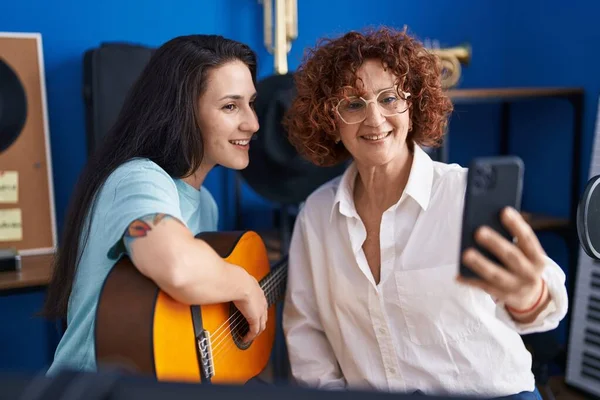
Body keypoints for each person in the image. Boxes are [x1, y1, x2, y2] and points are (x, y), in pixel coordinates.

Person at [281, 26, 568, 399]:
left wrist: (530, 295)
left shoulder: (462, 194)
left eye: (389, 99)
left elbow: (545, 302)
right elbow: (307, 331)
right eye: (353, 104)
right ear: (330, 122)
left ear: (413, 107)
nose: (374, 118)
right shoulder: (317, 214)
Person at [42, 34, 268, 375]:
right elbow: (177, 266)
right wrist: (244, 283)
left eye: (251, 103)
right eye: (230, 106)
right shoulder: (137, 179)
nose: (252, 123)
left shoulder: (205, 204)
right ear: (183, 111)